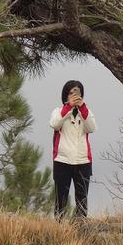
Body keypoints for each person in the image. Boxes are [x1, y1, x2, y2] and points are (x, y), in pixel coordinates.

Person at [49, 80, 97, 220]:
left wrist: (82, 108)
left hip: (83, 162)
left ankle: (80, 226)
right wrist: (68, 107)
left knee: (82, 198)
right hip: (62, 161)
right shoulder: (58, 111)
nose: (75, 96)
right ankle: (59, 227)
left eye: (78, 93)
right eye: (71, 93)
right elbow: (55, 124)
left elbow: (92, 128)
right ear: (65, 95)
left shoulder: (86, 112)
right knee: (61, 198)